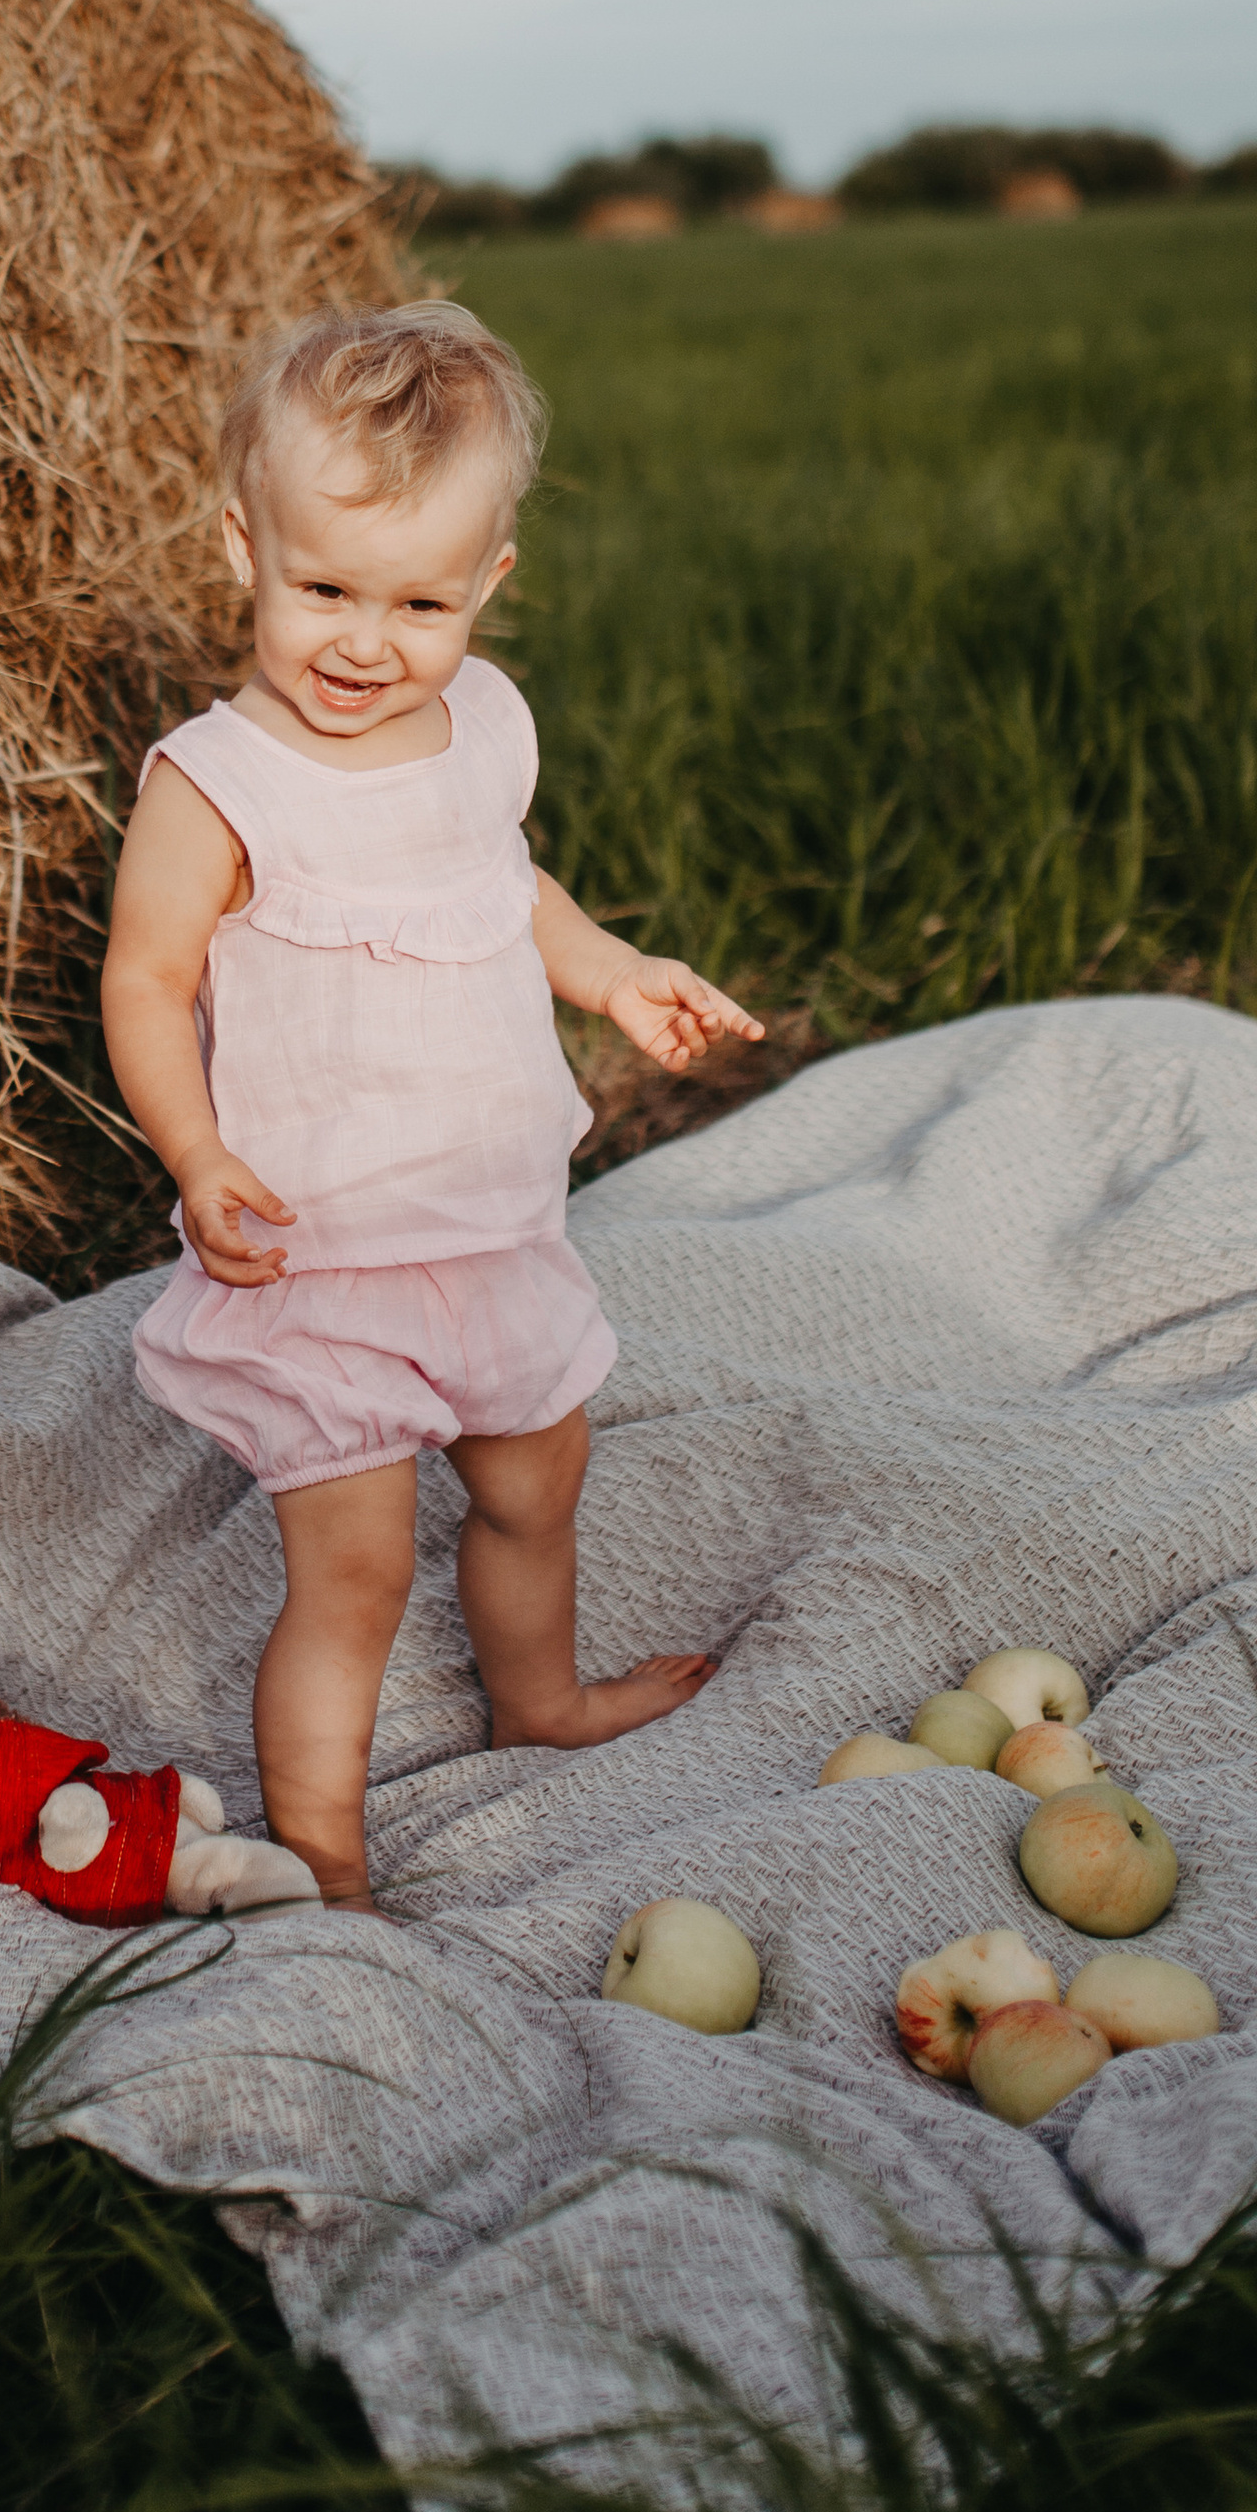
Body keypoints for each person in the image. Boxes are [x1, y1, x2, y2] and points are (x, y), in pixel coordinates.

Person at [101, 303, 760, 1908]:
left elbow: (507, 886)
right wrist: (195, 1151)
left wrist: (612, 972)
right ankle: (323, 1854)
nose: (364, 642)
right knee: (359, 1574)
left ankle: (540, 1701)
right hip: (325, 1259)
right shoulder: (218, 784)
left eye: (418, 603)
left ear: (488, 584)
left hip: (492, 1231)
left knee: (538, 1492)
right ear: (246, 547)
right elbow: (146, 979)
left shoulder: (480, 730)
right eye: (324, 590)